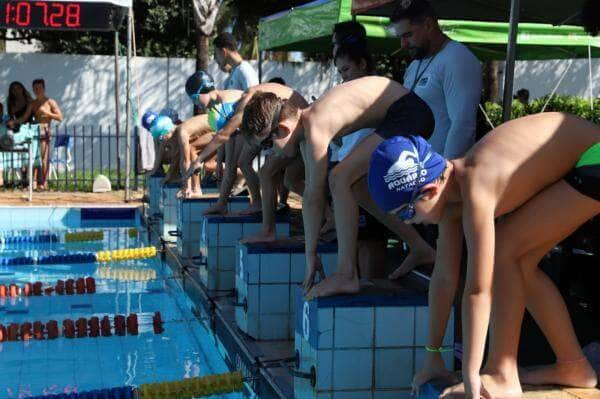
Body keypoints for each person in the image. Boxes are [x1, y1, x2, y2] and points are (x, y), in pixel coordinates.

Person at [366, 113, 600, 398]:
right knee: (516, 257)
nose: (406, 222)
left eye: (405, 212)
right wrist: (433, 357)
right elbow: (443, 280)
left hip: (594, 156)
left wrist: (471, 375)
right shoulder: (449, 197)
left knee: (505, 252)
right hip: (581, 156)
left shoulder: (477, 185)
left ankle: (503, 373)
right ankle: (572, 366)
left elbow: (478, 290)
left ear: (428, 190)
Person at [241, 75, 434, 297]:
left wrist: (310, 255)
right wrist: (311, 255)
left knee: (339, 178)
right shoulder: (305, 128)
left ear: (282, 129)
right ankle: (420, 247)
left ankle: (347, 274)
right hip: (400, 114)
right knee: (355, 187)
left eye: (267, 144)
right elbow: (312, 198)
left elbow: (314, 198)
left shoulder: (315, 124)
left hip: (409, 113)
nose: (269, 153)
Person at [386, 0, 482, 278]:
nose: (403, 44)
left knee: (450, 268)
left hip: (442, 183)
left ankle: (456, 320)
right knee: (428, 273)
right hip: (418, 182)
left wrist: (442, 179)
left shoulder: (457, 59)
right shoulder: (416, 65)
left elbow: (463, 124)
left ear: (429, 24)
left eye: (408, 35)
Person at [183, 73, 307, 216]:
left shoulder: (237, 101)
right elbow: (225, 140)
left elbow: (224, 135)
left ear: (202, 91)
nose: (194, 103)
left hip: (293, 122)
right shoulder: (222, 108)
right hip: (280, 122)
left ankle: (266, 220)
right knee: (282, 177)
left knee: (267, 172)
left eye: (194, 98)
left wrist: (199, 160)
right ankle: (254, 207)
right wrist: (217, 165)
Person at [144, 110, 217, 198]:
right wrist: (171, 176)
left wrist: (186, 186)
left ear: (166, 132)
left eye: (162, 138)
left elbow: (185, 161)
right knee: (208, 164)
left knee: (193, 151)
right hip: (216, 127)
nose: (164, 141)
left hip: (222, 129)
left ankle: (196, 189)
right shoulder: (177, 131)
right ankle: (195, 188)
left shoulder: (182, 132)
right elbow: (178, 156)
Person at [7, 79, 63, 190]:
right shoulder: (32, 103)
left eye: (40, 88)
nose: (38, 90)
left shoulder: (50, 102)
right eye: (35, 88)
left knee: (43, 159)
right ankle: (34, 183)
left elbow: (60, 117)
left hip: (44, 131)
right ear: (33, 89)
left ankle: (44, 183)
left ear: (44, 88)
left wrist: (47, 113)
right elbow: (24, 117)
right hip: (33, 132)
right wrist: (14, 121)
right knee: (33, 158)